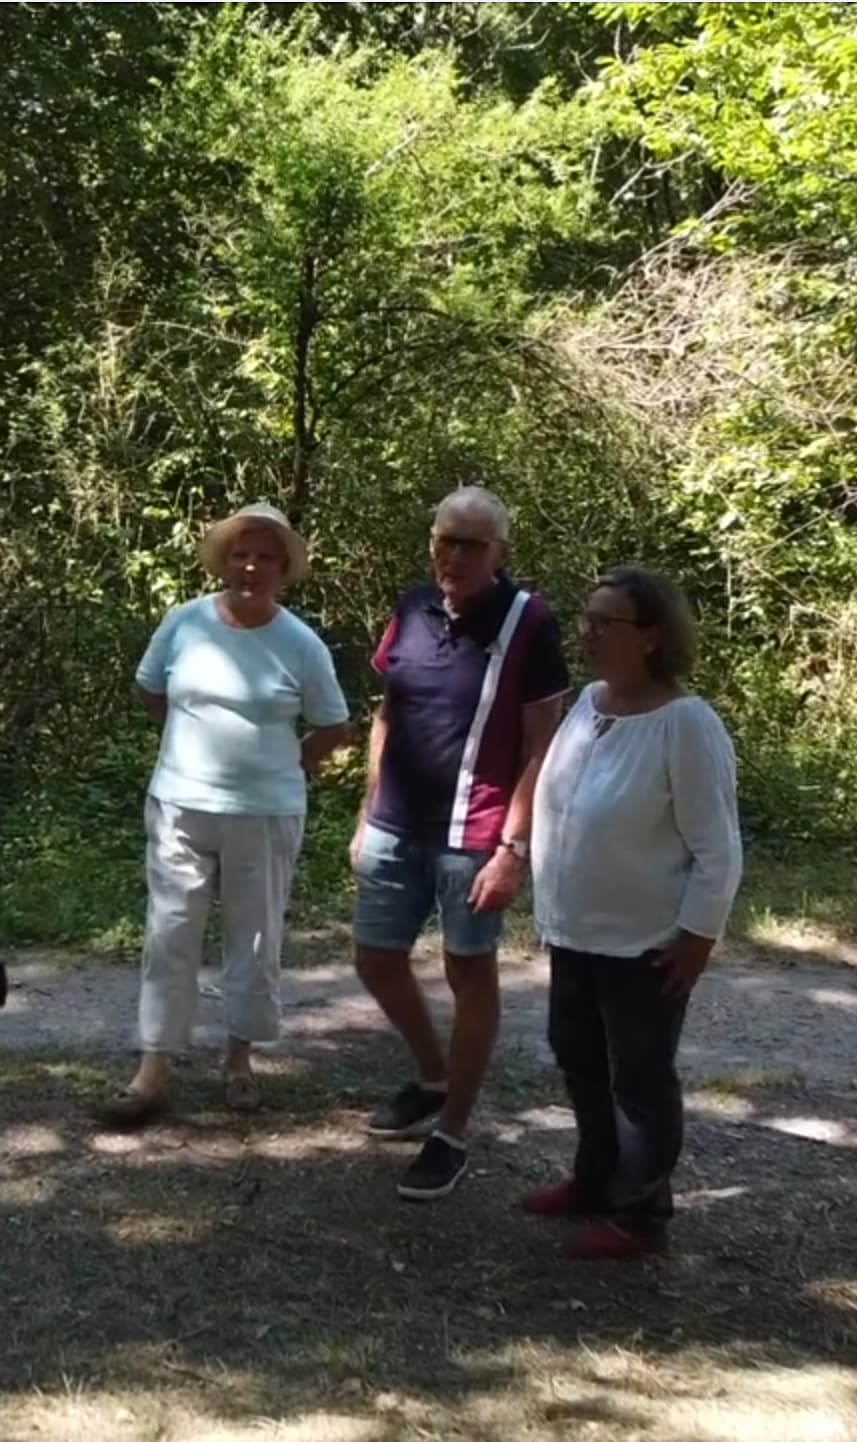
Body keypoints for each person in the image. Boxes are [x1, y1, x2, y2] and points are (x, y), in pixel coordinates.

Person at [98, 502, 351, 1128]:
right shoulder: (184, 622)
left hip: (264, 813)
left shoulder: (300, 642)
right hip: (181, 803)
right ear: (224, 559)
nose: (250, 565)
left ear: (284, 567)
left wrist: (289, 763)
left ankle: (239, 1062)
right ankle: (153, 1067)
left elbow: (334, 724)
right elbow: (152, 689)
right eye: (241, 552)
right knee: (169, 935)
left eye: (266, 555)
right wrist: (191, 748)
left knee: (255, 938)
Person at [349, 485, 570, 1200]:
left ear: (501, 552)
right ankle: (433, 1076)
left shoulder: (529, 622)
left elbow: (544, 745)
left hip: (473, 834)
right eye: (446, 539)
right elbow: (388, 713)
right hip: (394, 822)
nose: (455, 555)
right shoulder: (411, 607)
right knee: (376, 959)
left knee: (467, 972)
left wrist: (512, 848)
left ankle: (453, 1131)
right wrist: (364, 810)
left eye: (472, 544)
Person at [522, 565, 740, 1259]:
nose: (589, 633)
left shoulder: (687, 725)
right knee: (578, 1057)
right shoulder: (588, 703)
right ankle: (594, 1181)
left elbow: (718, 848)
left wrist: (698, 935)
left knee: (640, 1080)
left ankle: (642, 1214)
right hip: (574, 930)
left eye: (605, 622)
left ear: (650, 637)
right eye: (586, 618)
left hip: (646, 942)